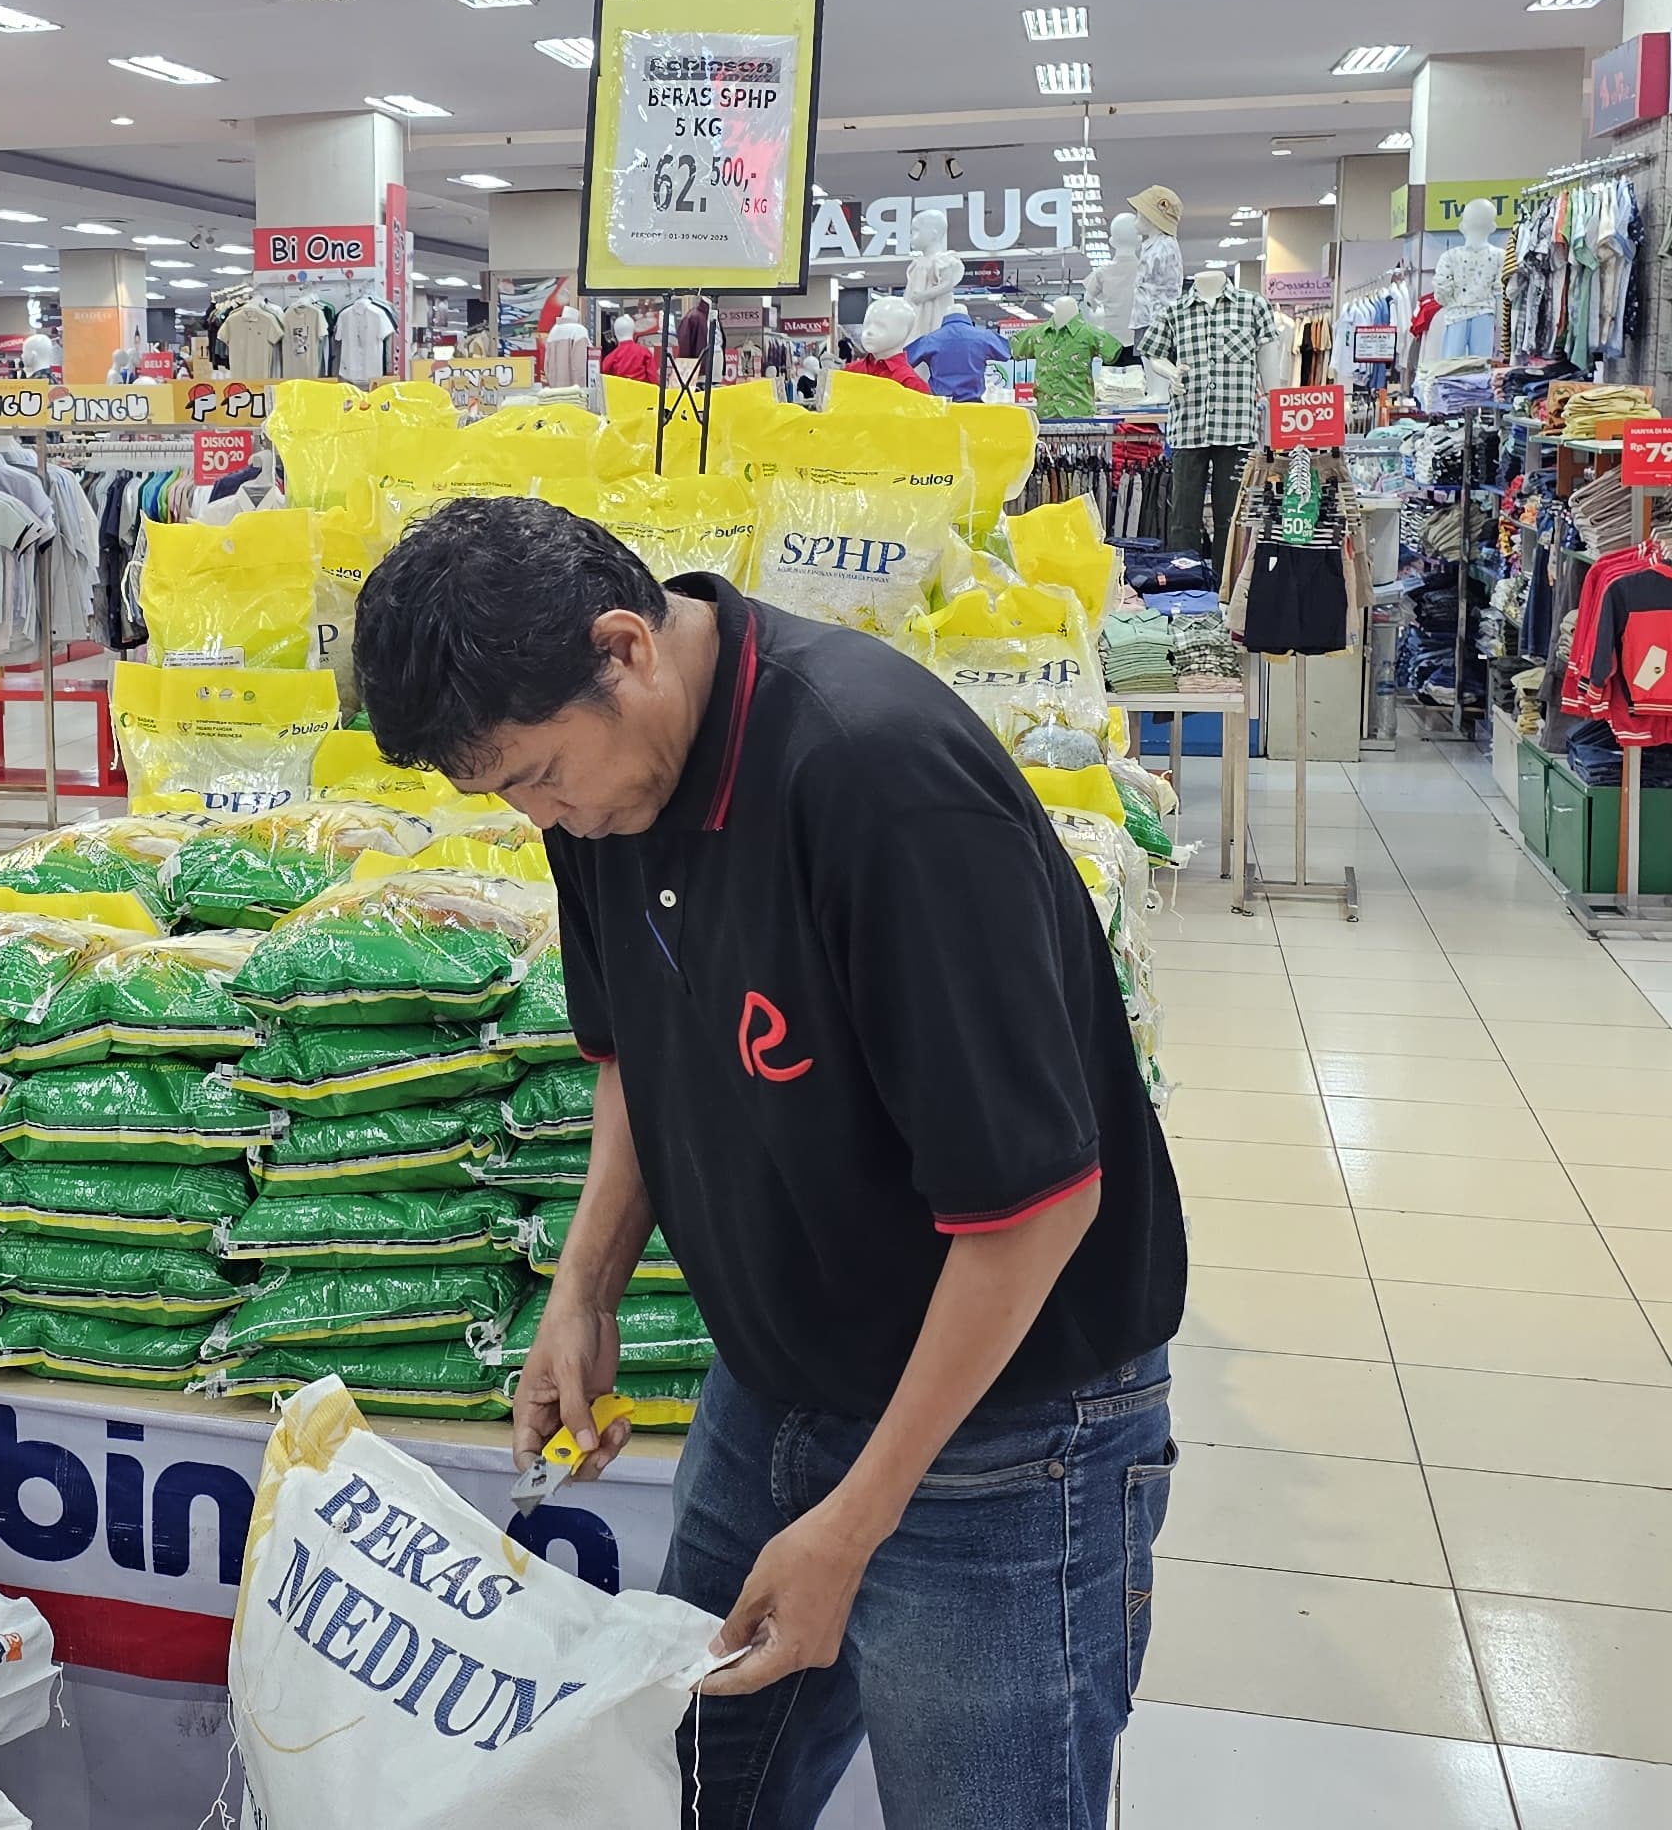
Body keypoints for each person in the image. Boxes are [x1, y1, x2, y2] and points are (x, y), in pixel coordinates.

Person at [348, 497, 1184, 1830]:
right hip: (773, 1386)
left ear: (624, 649)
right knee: (683, 1788)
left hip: (1004, 1434)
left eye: (538, 777)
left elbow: (1037, 1205)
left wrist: (856, 1521)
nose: (540, 815)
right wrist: (583, 1288)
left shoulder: (877, 780)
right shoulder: (608, 797)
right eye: (506, 795)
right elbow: (637, 1053)